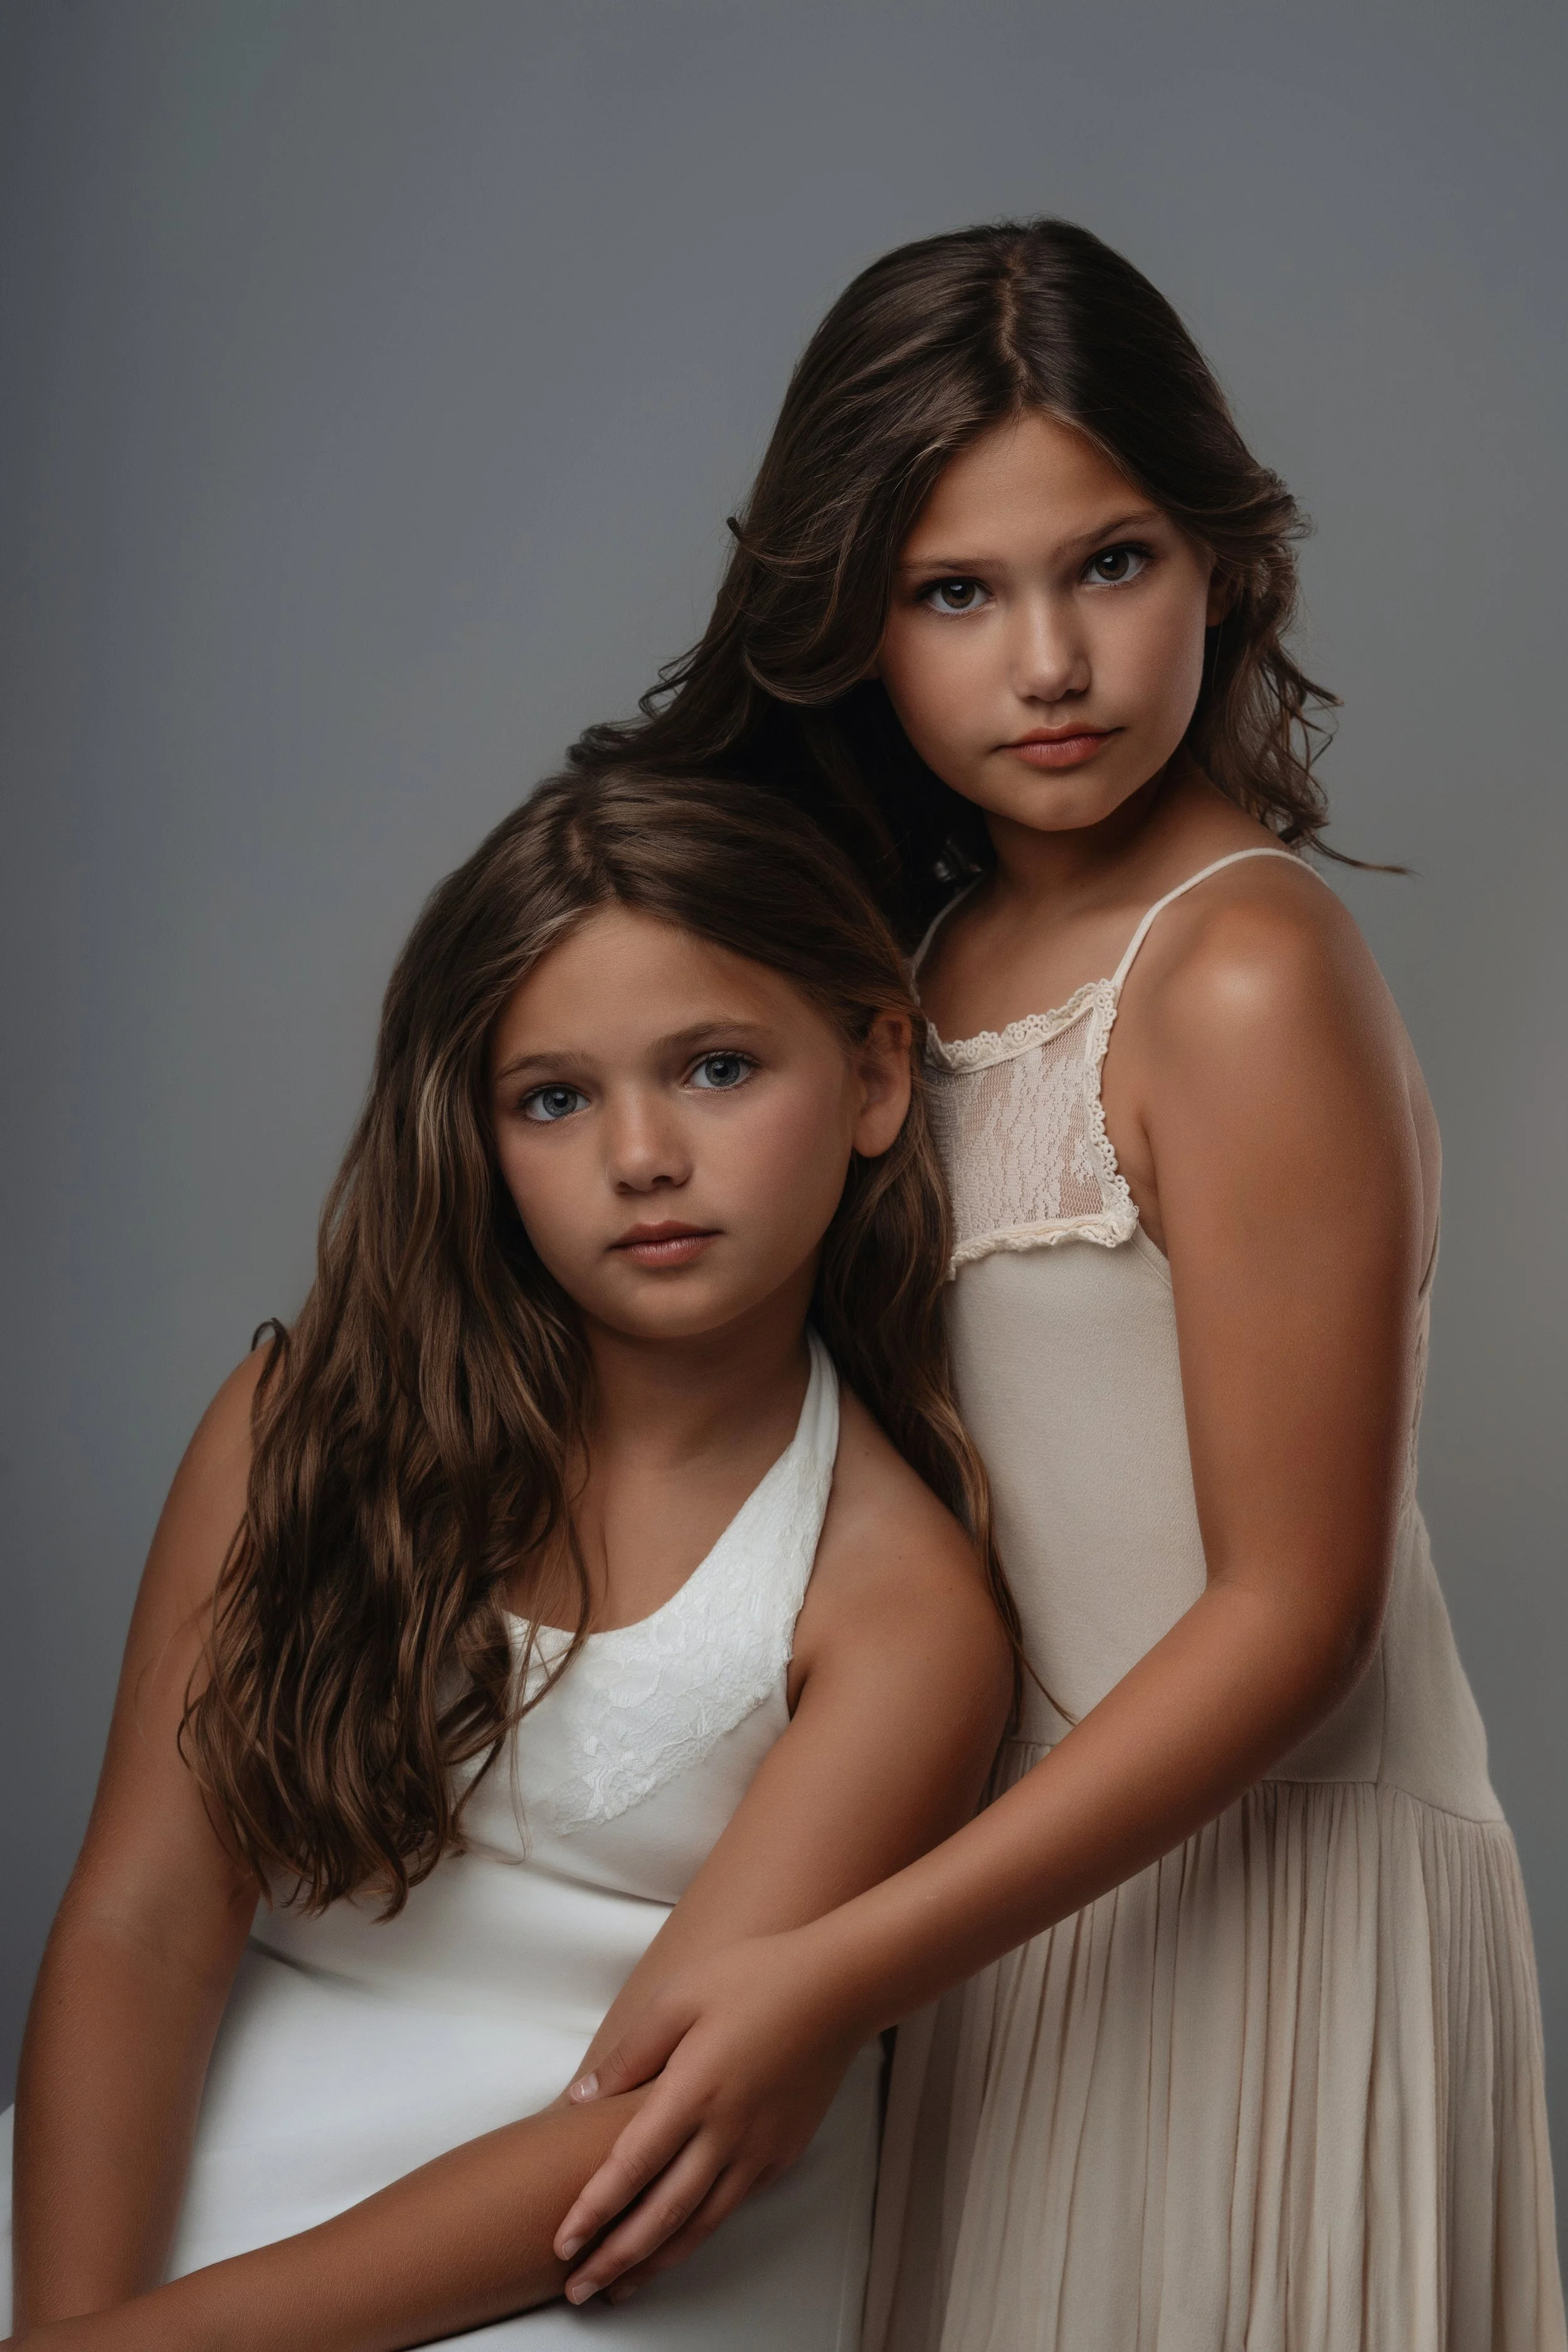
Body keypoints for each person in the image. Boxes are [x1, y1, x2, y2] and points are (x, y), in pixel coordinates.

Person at [554, 220, 1567, 2348]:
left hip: (1260, 1900)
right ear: (854, 618)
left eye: (1109, 564)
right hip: (1029, 1909)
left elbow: (1297, 1615)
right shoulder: (909, 972)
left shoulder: (1244, 965)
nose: (1051, 661)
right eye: (956, 592)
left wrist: (838, 1966)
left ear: (1221, 563)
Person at [0, 771, 1017, 2350]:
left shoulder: (893, 1608)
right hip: (214, 2146)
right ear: (473, 1134)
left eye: (717, 1068)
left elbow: (650, 2121)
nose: (640, 1155)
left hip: (597, 2236)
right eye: (552, 1097)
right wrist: (64, 2318)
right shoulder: (297, 1423)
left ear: (875, 1073)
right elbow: (142, 1917)